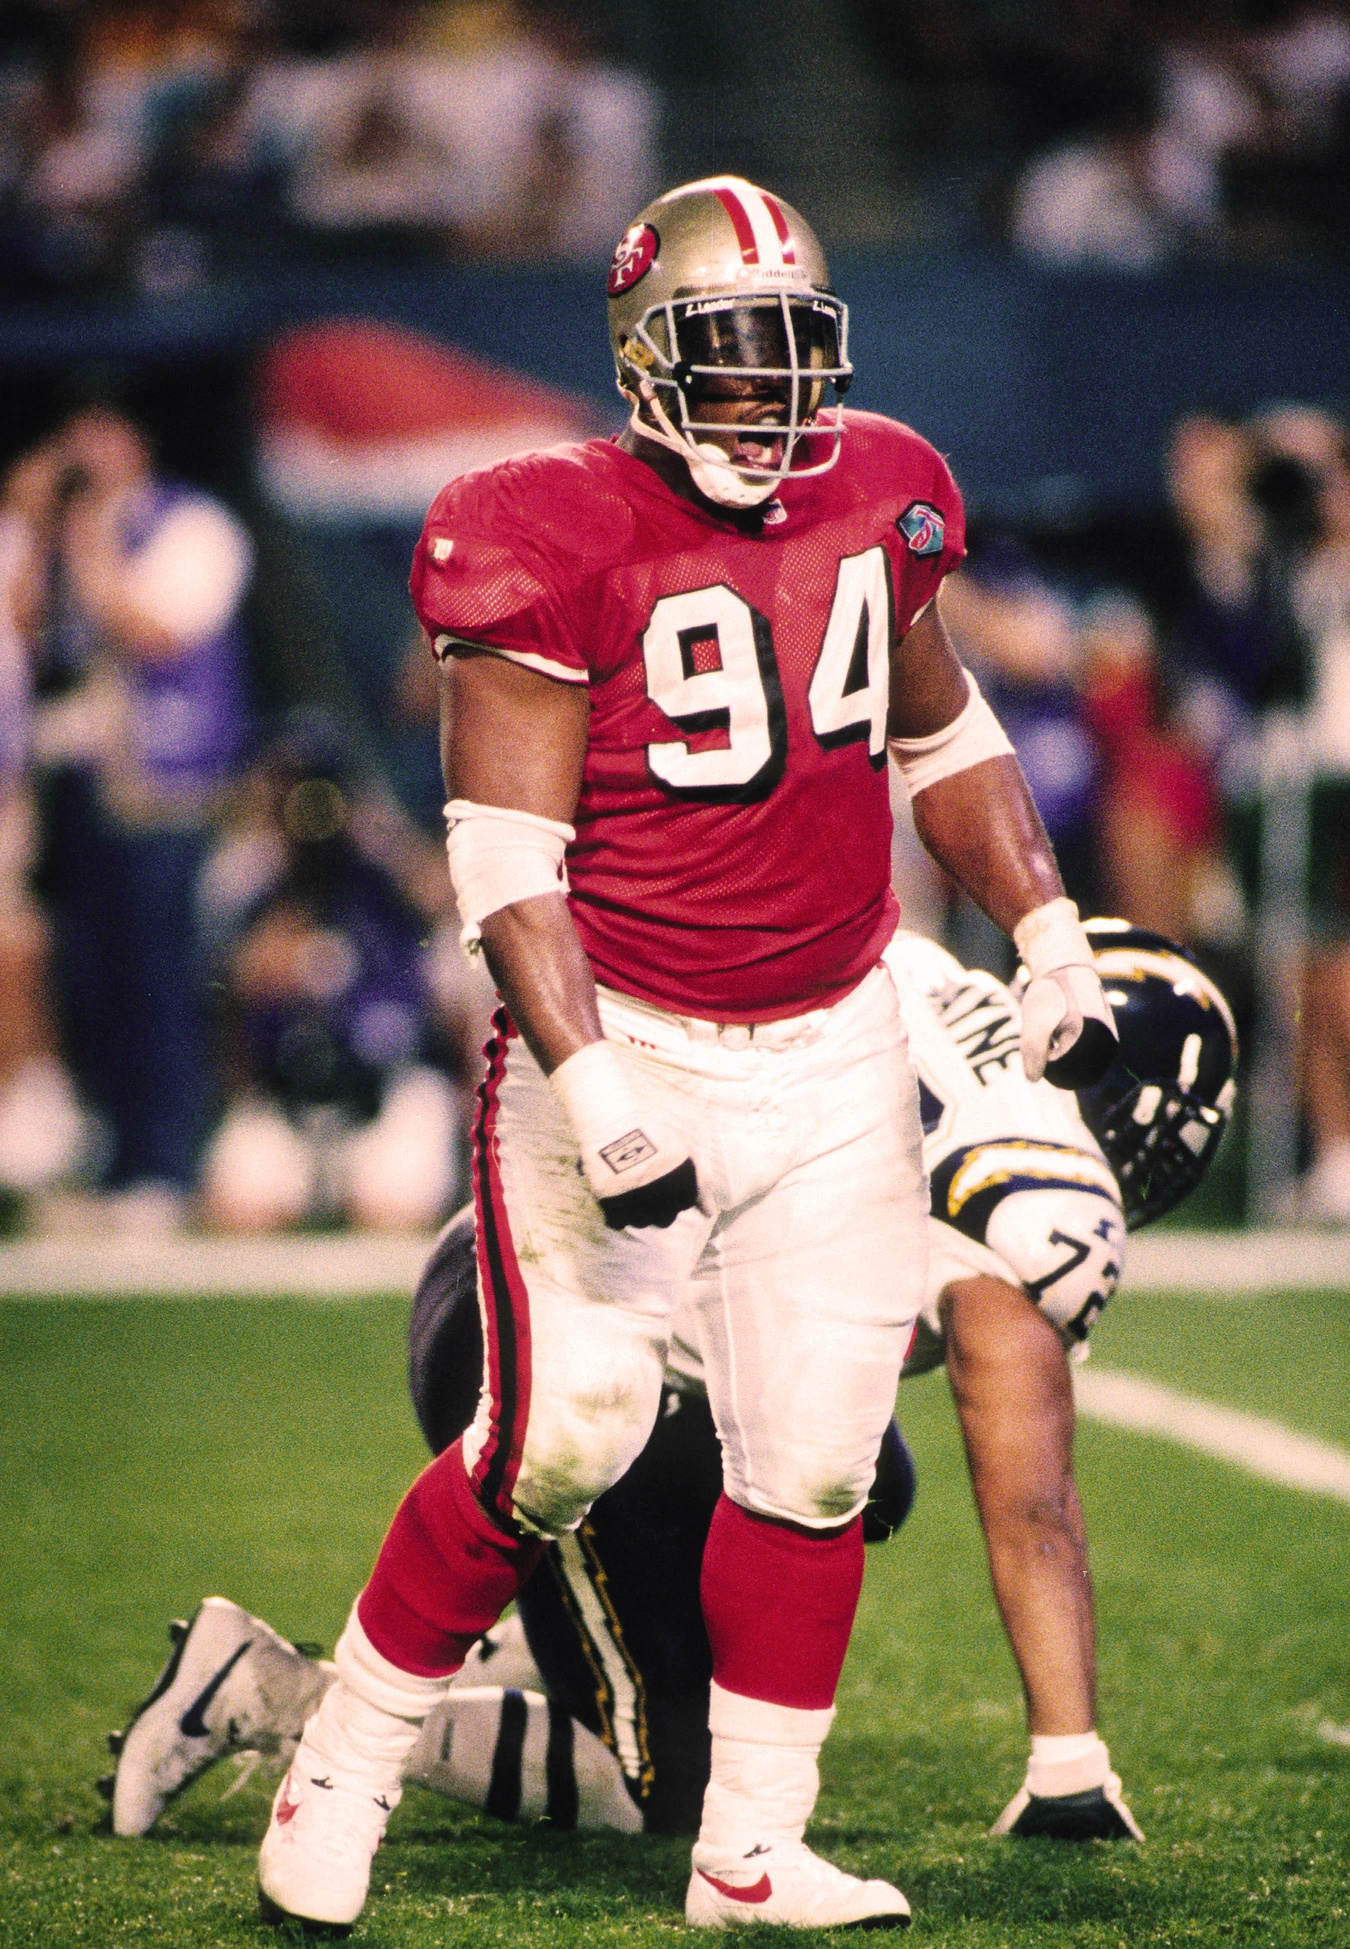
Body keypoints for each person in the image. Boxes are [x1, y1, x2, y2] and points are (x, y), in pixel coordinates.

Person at [248, 174, 1118, 1935]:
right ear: (648, 360)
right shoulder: (535, 525)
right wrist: (595, 1083)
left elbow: (946, 732)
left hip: (834, 1037)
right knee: (560, 1429)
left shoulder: (886, 489)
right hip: (623, 1025)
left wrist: (1043, 923)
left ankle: (752, 1845)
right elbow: (505, 857)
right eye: (726, 360)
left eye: (792, 358)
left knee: (810, 1457)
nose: (767, 400)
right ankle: (338, 1753)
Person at [104, 922, 1237, 1854]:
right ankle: (265, 1694)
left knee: (867, 1467)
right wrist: (1070, 1761)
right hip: (587, 1348)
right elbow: (1029, 1487)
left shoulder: (932, 970)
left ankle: (521, 1650)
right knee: (668, 1788)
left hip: (530, 1267)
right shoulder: (1045, 1190)